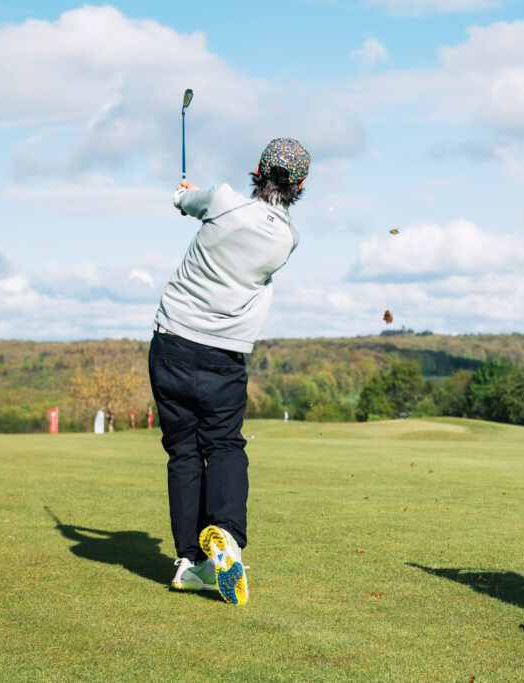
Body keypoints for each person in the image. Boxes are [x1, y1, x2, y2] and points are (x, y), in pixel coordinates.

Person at [148, 138, 309, 605]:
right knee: (222, 445)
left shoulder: (219, 200)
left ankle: (186, 563)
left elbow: (183, 201)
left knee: (182, 452)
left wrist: (185, 193)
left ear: (258, 169)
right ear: (299, 186)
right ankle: (226, 534)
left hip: (171, 343)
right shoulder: (287, 239)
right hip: (223, 356)